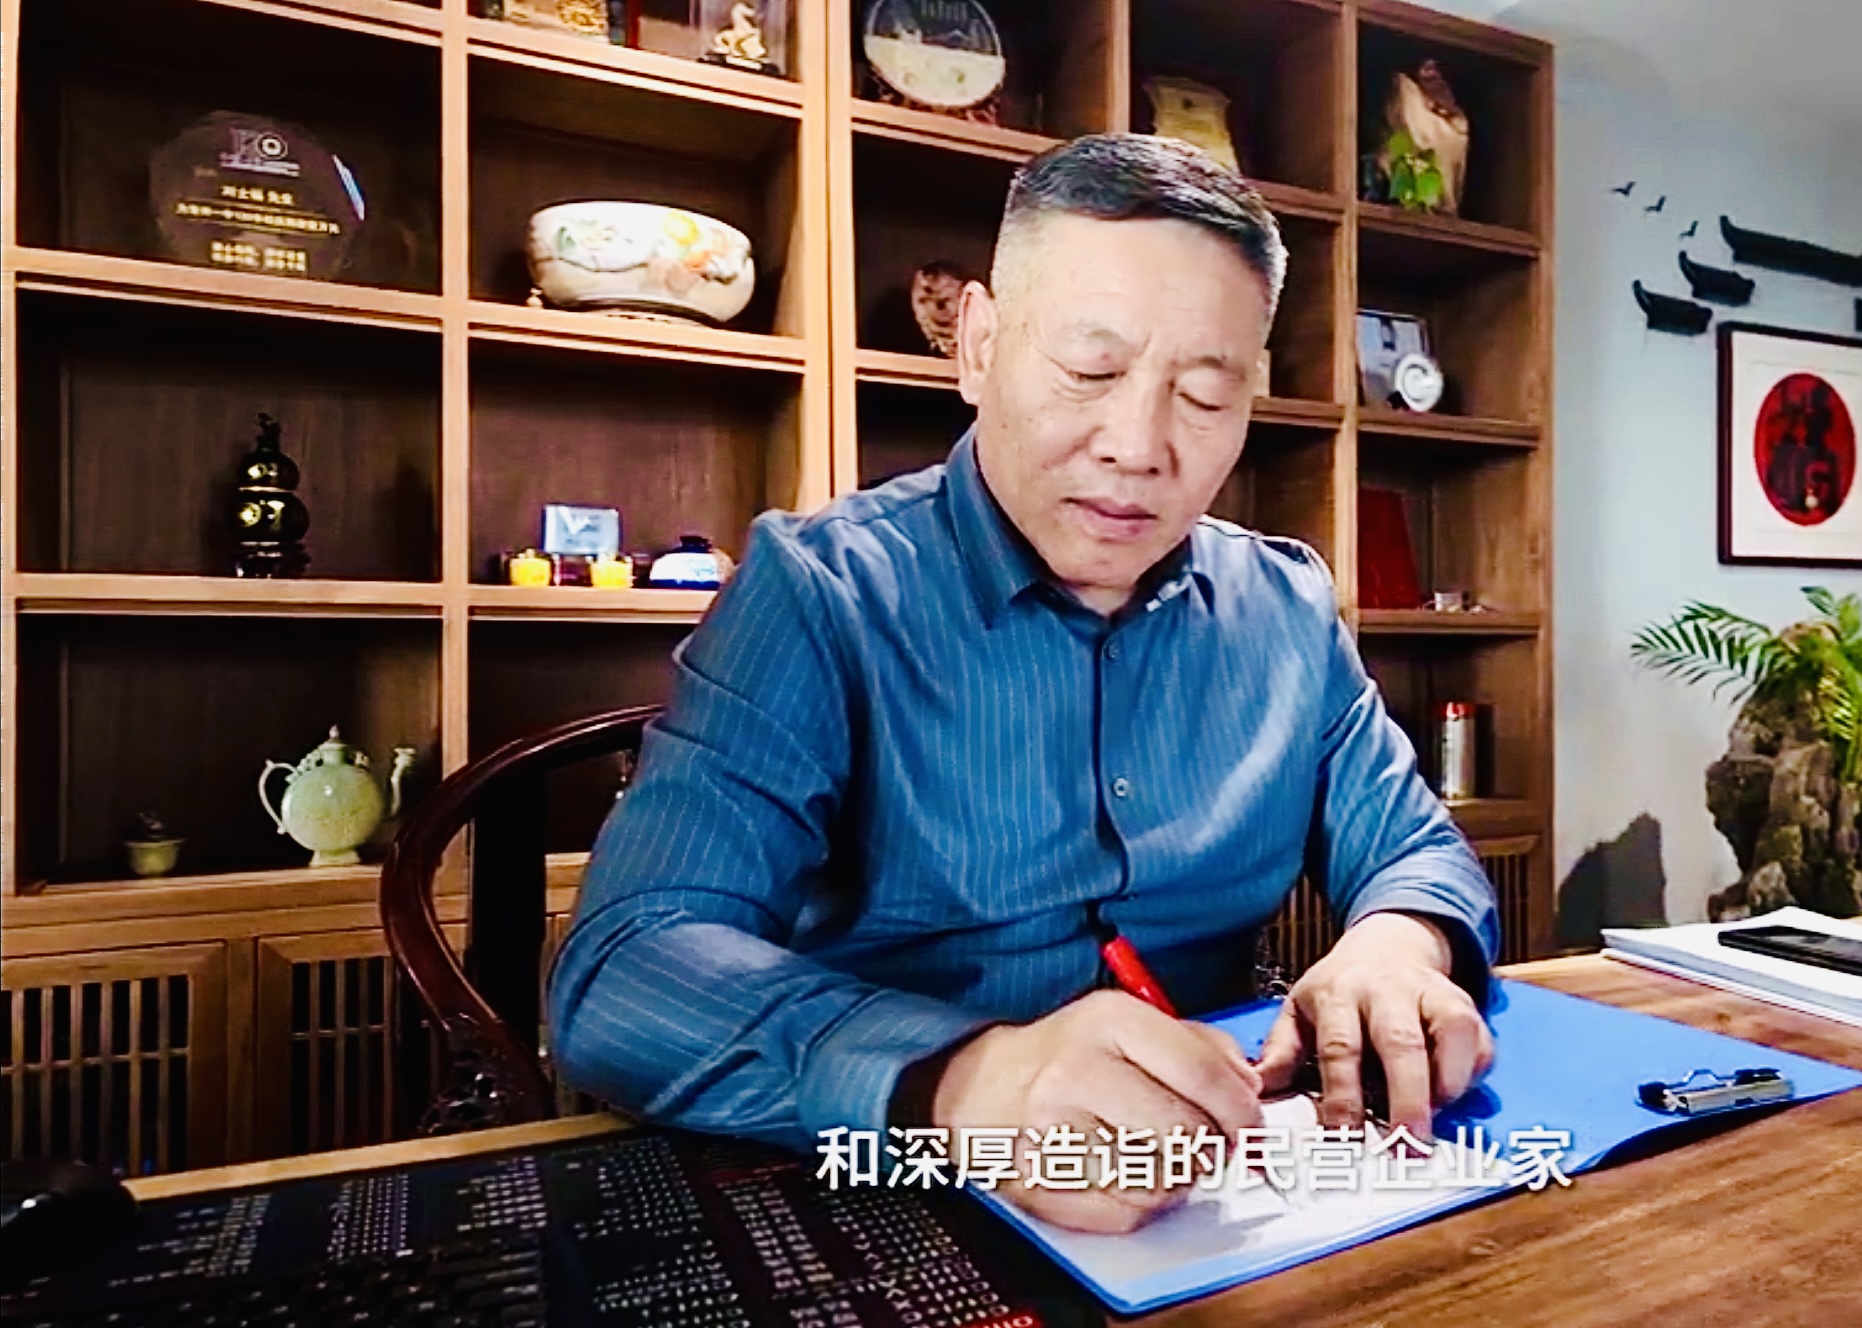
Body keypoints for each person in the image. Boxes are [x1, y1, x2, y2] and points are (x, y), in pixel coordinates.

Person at [548, 133, 1499, 1235]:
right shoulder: (820, 594)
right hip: (894, 1178)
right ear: (980, 345)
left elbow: (1416, 846)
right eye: (1089, 370)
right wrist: (962, 1080)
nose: (1138, 446)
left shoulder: (1283, 606)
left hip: (1222, 1179)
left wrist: (1400, 942)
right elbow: (624, 969)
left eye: (1205, 393)